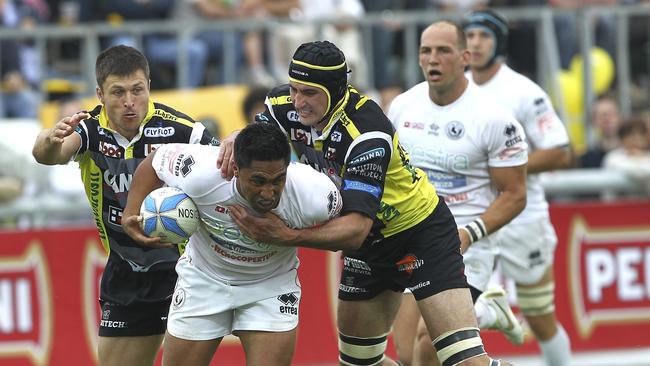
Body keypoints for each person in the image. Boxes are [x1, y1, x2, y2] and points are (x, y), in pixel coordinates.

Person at [219, 40, 514, 366]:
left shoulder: (365, 133)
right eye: (294, 89)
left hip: (419, 233)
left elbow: (356, 230)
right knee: (360, 363)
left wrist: (285, 235)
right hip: (373, 247)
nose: (298, 102)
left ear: (336, 90)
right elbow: (259, 139)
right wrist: (238, 135)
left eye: (310, 93)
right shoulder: (281, 104)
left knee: (462, 361)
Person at [31, 45, 217, 366]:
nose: (129, 102)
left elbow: (224, 171)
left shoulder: (183, 131)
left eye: (137, 90)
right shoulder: (89, 129)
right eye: (118, 92)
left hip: (187, 268)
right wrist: (49, 139)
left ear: (149, 88)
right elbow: (50, 155)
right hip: (127, 269)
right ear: (100, 94)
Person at [121, 122, 342, 366]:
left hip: (270, 287)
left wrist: (289, 236)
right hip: (203, 280)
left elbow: (352, 231)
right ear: (235, 169)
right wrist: (130, 212)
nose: (269, 193)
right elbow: (155, 161)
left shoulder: (313, 194)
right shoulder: (201, 172)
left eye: (278, 180)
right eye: (258, 181)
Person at [387, 20, 529, 365]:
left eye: (443, 51)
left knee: (431, 341)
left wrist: (469, 233)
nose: (433, 59)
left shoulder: (494, 118)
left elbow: (515, 194)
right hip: (412, 236)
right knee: (408, 356)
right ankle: (489, 329)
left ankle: (483, 311)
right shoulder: (402, 107)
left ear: (465, 57)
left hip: (466, 241)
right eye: (426, 51)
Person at [464, 9, 573, 366]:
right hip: (470, 215)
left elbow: (560, 152)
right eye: (470, 36)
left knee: (539, 317)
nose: (475, 43)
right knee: (449, 312)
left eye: (484, 36)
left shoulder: (523, 91)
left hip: (522, 218)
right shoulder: (453, 89)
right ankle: (490, 315)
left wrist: (505, 169)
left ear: (499, 43)